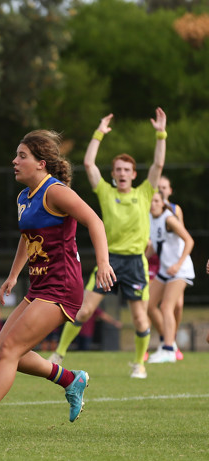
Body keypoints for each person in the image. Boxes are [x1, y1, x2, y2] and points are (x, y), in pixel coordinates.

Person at [0, 129, 115, 437]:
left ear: (41, 164)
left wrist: (103, 264)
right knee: (1, 352)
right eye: (17, 155)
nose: (15, 161)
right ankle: (70, 379)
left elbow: (95, 222)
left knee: (9, 349)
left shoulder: (56, 192)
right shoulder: (25, 197)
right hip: (39, 287)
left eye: (23, 156)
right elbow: (27, 238)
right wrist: (13, 275)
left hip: (62, 287)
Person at [49, 108, 167, 379]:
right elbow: (89, 164)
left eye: (127, 169)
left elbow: (158, 165)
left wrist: (161, 133)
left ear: (134, 174)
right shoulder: (105, 192)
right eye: (118, 170)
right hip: (109, 260)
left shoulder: (145, 193)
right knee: (84, 310)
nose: (122, 173)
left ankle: (139, 364)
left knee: (139, 319)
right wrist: (99, 132)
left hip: (135, 262)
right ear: (113, 174)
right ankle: (59, 353)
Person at [146, 191, 194, 363]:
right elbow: (156, 244)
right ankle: (168, 342)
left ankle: (168, 349)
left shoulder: (169, 219)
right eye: (151, 200)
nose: (153, 203)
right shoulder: (151, 218)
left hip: (180, 270)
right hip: (165, 270)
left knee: (167, 306)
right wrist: (142, 259)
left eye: (157, 200)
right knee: (149, 305)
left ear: (163, 202)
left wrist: (178, 264)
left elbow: (189, 241)